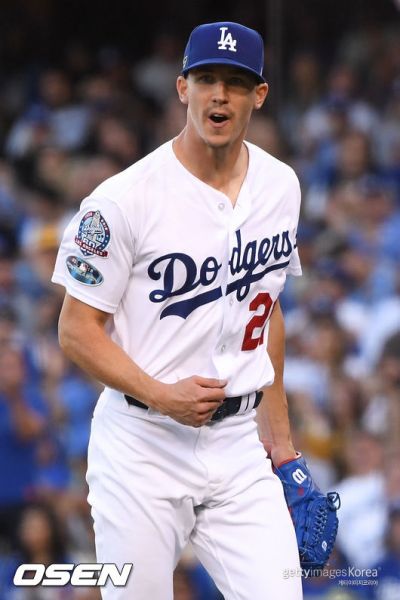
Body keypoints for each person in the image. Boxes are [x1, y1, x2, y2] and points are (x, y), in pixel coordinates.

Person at [52, 21, 303, 600]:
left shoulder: (281, 186)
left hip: (238, 445)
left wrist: (282, 445)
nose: (221, 95)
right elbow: (76, 330)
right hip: (142, 443)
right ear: (182, 87)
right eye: (207, 78)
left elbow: (266, 308)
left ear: (259, 95)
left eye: (236, 82)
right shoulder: (123, 199)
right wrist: (161, 394)